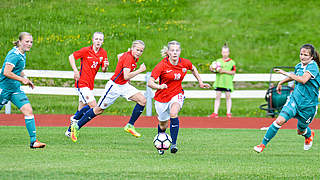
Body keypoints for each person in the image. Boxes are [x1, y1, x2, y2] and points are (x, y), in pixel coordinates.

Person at [70, 40, 146, 142]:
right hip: (114, 87)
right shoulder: (128, 57)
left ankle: (130, 125)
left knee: (142, 100)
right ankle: (77, 126)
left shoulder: (130, 56)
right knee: (98, 110)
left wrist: (122, 65)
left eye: (141, 51)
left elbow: (120, 56)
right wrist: (140, 70)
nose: (139, 52)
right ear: (132, 48)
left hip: (124, 85)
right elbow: (126, 75)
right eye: (137, 50)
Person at [148, 40, 210, 155]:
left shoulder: (184, 63)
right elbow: (150, 82)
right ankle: (160, 145)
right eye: (172, 50)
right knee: (163, 124)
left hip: (177, 94)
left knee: (173, 113)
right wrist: (159, 86)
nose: (175, 53)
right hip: (161, 97)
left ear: (180, 52)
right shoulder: (162, 65)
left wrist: (200, 82)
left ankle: (174, 144)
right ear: (168, 52)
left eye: (177, 50)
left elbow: (193, 68)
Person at [254, 44, 319, 153]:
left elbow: (303, 80)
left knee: (300, 130)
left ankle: (309, 134)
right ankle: (262, 145)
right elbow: (294, 75)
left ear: (311, 57)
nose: (302, 57)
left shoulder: (313, 67)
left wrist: (284, 73)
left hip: (308, 106)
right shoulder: (299, 65)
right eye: (301, 54)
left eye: (305, 55)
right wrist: (281, 82)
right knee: (279, 120)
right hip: (295, 100)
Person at [0, 32, 46, 148]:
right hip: (3, 89)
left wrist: (25, 79)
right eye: (27, 41)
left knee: (28, 110)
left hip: (15, 89)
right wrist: (21, 79)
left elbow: (18, 69)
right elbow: (6, 72)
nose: (29, 44)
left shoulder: (22, 53)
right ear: (20, 42)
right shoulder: (14, 55)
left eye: (31, 42)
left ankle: (33, 141)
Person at [65, 32, 109, 137]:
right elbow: (71, 57)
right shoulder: (86, 50)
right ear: (93, 40)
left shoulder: (103, 53)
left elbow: (103, 70)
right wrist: (75, 71)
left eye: (100, 39)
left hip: (90, 85)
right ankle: (76, 121)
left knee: (82, 109)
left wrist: (106, 67)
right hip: (82, 83)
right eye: (97, 39)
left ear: (102, 41)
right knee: (94, 106)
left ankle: (69, 130)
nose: (98, 41)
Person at [209, 43, 236, 118]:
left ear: (229, 53)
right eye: (223, 52)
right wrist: (212, 69)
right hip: (219, 82)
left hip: (227, 83)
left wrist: (224, 71)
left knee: (228, 97)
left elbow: (233, 72)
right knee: (217, 96)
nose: (225, 54)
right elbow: (214, 70)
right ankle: (215, 112)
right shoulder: (218, 61)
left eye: (226, 52)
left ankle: (228, 113)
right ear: (221, 52)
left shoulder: (232, 62)